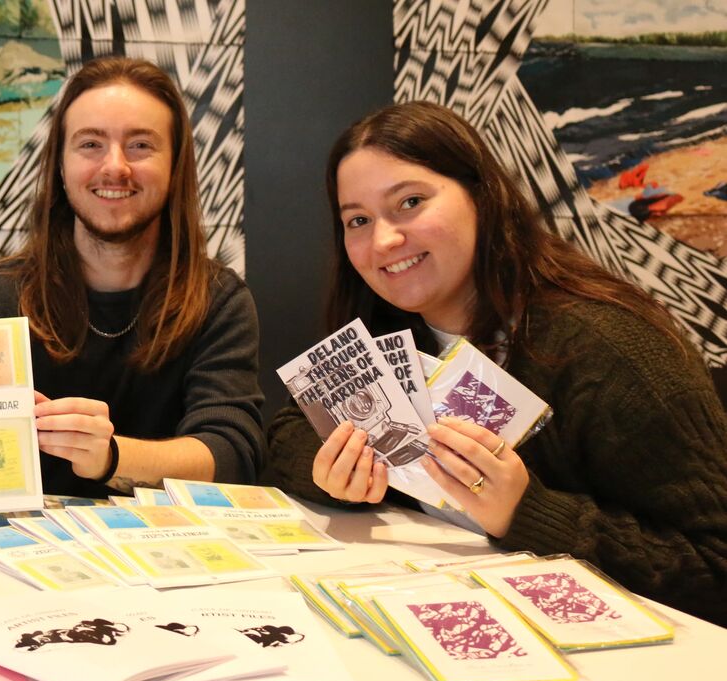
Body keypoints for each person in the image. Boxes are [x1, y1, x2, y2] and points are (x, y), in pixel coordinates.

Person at [261, 101, 727, 625]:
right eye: (358, 220)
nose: (383, 241)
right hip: (430, 617)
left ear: (483, 196)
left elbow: (715, 570)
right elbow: (288, 433)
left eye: (410, 202)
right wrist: (337, 473)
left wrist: (524, 513)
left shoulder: (609, 350)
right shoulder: (393, 330)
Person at [0, 56, 265, 513]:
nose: (115, 167)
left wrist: (113, 456)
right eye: (90, 145)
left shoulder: (218, 300)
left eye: (140, 145)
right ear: (60, 165)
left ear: (175, 165)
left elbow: (233, 454)